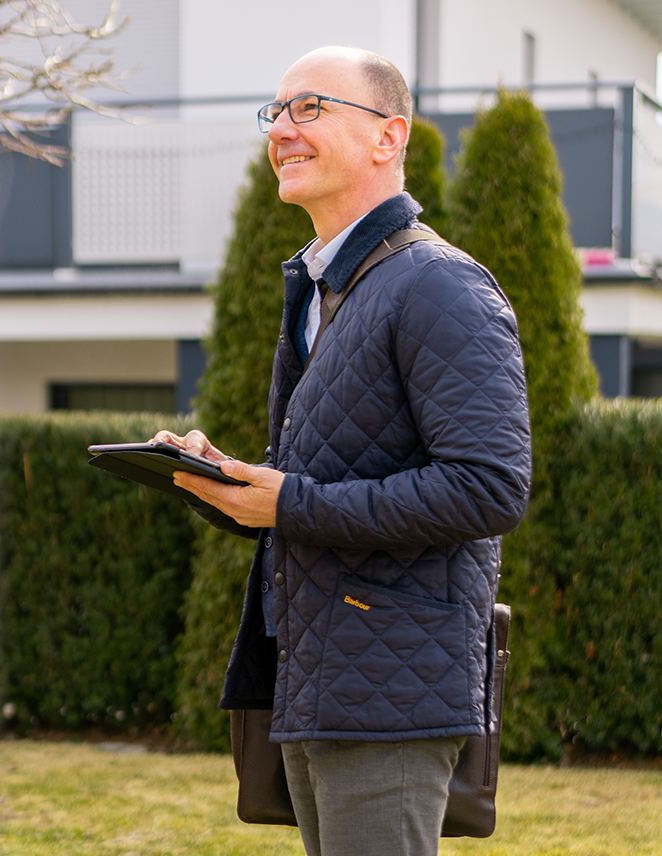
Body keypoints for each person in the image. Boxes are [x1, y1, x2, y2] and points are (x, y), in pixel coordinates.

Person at [154, 45, 531, 856]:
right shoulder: (326, 291)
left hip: (391, 697)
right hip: (315, 682)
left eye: (311, 108)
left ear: (388, 137)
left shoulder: (439, 286)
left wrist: (289, 500)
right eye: (277, 111)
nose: (282, 129)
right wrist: (228, 483)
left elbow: (490, 487)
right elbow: (316, 489)